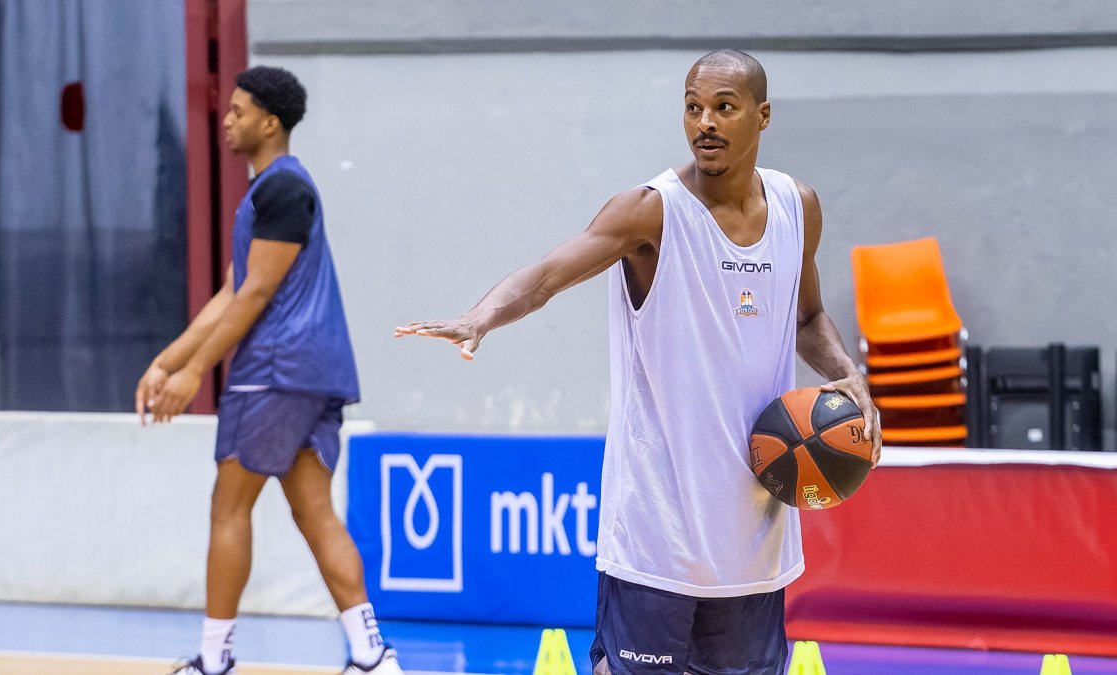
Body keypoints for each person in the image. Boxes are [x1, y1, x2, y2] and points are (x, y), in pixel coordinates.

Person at [396, 50, 881, 675]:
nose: (705, 122)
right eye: (693, 107)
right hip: (658, 532)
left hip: (754, 536)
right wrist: (481, 316)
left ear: (762, 117)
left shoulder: (797, 207)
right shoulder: (650, 211)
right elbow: (546, 275)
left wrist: (845, 373)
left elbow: (808, 318)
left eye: (724, 108)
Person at [136, 65, 401, 675]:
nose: (226, 120)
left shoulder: (283, 189)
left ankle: (213, 659)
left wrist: (194, 374)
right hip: (309, 374)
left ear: (269, 121)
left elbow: (254, 297)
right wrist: (167, 361)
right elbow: (232, 292)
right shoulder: (270, 191)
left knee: (228, 508)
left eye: (237, 111)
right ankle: (370, 655)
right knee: (314, 512)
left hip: (276, 370)